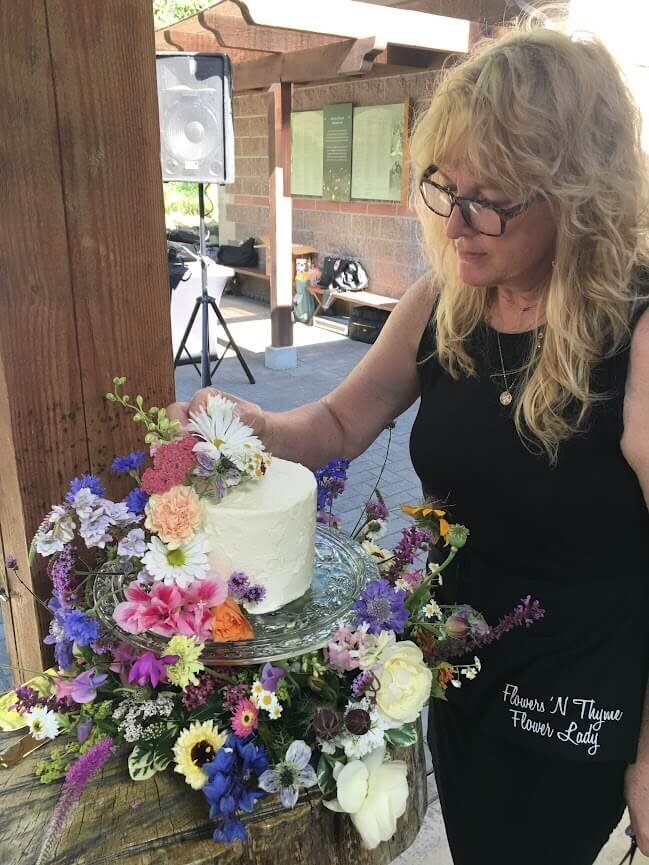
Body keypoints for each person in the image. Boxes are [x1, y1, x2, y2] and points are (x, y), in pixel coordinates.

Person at [167, 23, 649, 865]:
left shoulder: (636, 334)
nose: (456, 222)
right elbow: (339, 424)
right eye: (443, 187)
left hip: (584, 697)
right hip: (458, 676)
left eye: (489, 196)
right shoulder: (444, 304)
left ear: (575, 188)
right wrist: (256, 427)